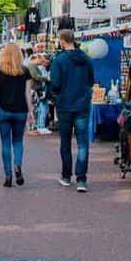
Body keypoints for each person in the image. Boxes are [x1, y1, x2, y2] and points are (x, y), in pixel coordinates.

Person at [49, 29, 95, 192]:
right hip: (82, 105)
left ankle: (66, 176)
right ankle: (81, 179)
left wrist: (56, 96)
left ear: (62, 41)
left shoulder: (59, 60)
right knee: (83, 143)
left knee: (65, 142)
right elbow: (91, 80)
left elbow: (54, 83)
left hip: (64, 105)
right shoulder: (86, 58)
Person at [0, 43, 34, 187]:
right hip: (20, 111)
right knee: (18, 141)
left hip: (3, 110)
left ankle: (8, 176)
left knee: (5, 143)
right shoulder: (25, 71)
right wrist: (31, 111)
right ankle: (17, 165)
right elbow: (28, 94)